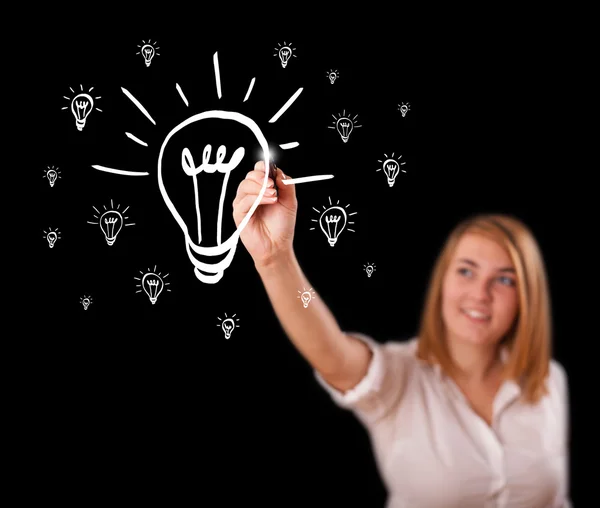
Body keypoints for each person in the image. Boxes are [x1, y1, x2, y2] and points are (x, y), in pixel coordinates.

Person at [232, 161, 571, 508]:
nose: (480, 294)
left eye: (504, 279)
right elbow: (332, 354)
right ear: (442, 282)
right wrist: (275, 260)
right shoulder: (399, 378)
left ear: (527, 296)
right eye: (466, 271)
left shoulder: (548, 381)